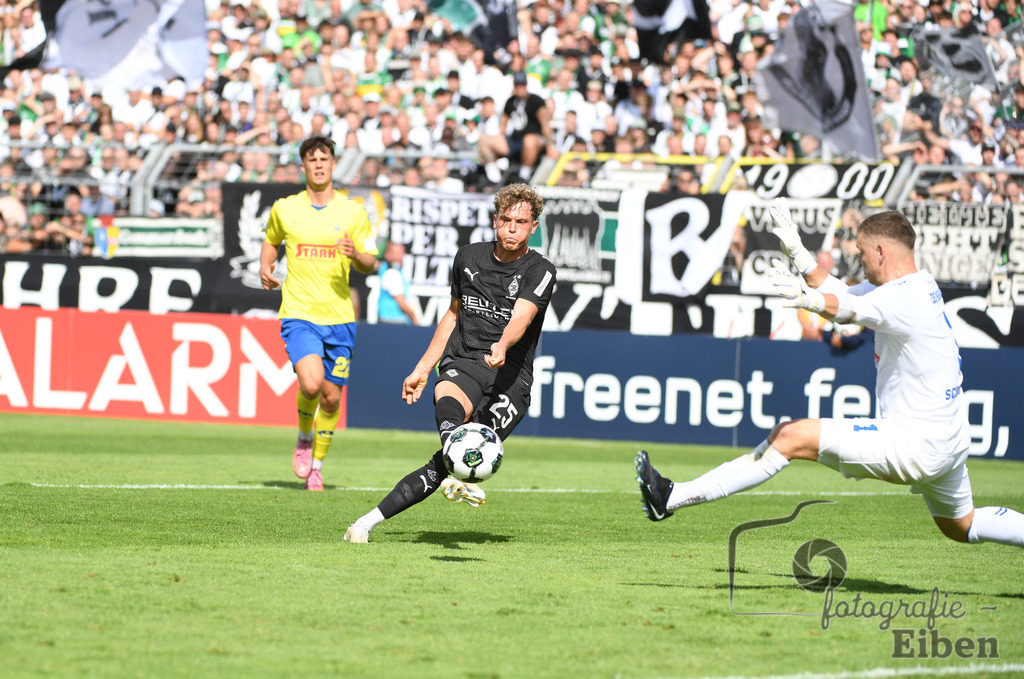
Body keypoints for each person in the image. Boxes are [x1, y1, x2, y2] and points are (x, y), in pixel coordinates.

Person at [635, 202, 1024, 552]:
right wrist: (797, 251)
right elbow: (844, 291)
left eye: (861, 252)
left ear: (881, 252)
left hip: (916, 442)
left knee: (789, 436)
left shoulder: (902, 298)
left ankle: (671, 498)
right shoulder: (916, 285)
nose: (858, 259)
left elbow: (847, 311)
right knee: (962, 524)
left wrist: (808, 301)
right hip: (950, 438)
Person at [344, 183, 557, 543]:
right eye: (505, 219)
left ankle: (364, 523)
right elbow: (453, 315)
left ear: (533, 227)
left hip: (511, 380)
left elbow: (522, 315)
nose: (511, 228)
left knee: (445, 463)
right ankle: (450, 475)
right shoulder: (468, 259)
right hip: (466, 361)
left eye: (520, 222)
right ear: (494, 220)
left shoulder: (541, 270)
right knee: (453, 427)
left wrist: (504, 343)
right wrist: (424, 368)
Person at [259, 136, 378, 492]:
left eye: (324, 158)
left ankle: (318, 466)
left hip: (340, 317)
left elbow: (371, 262)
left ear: (333, 164)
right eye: (312, 160)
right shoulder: (285, 208)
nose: (319, 164)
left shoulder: (353, 212)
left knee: (331, 396)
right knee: (310, 383)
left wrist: (356, 255)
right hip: (299, 312)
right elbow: (271, 240)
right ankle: (303, 438)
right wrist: (265, 267)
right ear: (303, 167)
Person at [376, 240, 419, 325]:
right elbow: (402, 303)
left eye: (402, 252)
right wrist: (414, 318)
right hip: (392, 322)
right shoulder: (392, 273)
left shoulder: (396, 271)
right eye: (398, 253)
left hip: (393, 321)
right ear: (387, 255)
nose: (402, 256)